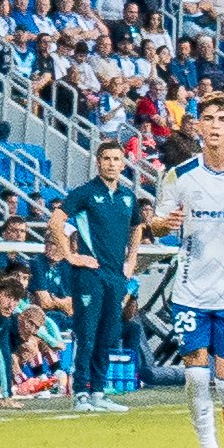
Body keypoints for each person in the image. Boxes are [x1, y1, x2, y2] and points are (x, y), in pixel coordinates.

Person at [144, 92, 224, 448]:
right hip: (190, 289)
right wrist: (163, 225)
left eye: (222, 119)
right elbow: (155, 224)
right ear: (198, 125)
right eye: (207, 118)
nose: (214, 126)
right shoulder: (179, 176)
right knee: (194, 373)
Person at [57, 136, 146, 402]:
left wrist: (131, 261)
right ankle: (81, 393)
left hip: (115, 275)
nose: (111, 163)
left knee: (108, 333)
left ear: (123, 164)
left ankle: (98, 392)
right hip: (89, 274)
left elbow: (137, 227)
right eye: (106, 159)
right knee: (87, 332)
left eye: (116, 159)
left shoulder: (128, 197)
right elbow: (56, 221)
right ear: (98, 163)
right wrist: (71, 256)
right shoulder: (85, 193)